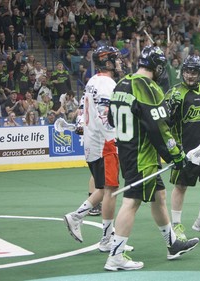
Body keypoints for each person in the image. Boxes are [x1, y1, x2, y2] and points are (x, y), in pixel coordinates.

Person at [104, 45, 199, 271]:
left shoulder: (121, 84)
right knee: (132, 201)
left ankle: (172, 244)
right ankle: (116, 255)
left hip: (127, 150)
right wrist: (174, 155)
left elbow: (111, 119)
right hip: (141, 155)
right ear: (156, 67)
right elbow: (158, 128)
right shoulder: (148, 87)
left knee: (159, 195)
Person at [63, 46, 132, 252]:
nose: (120, 63)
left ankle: (94, 229)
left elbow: (85, 111)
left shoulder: (92, 81)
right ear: (108, 62)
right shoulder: (107, 84)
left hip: (94, 144)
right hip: (105, 145)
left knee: (104, 190)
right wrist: (117, 140)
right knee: (111, 191)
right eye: (116, 59)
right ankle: (89, 227)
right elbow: (105, 117)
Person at [165, 55, 200, 240]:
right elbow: (164, 124)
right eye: (187, 71)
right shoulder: (175, 94)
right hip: (185, 151)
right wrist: (174, 149)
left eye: (194, 72)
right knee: (181, 186)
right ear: (182, 72)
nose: (190, 76)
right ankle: (176, 225)